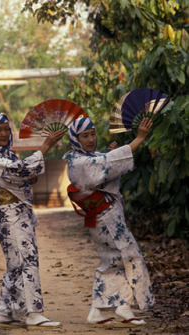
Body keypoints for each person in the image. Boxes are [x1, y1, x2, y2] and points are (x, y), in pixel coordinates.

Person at [63, 117, 155, 326]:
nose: (90, 139)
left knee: (113, 261)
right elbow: (105, 165)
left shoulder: (83, 158)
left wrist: (108, 153)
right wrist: (139, 138)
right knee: (129, 256)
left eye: (92, 133)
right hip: (105, 219)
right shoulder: (80, 161)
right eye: (84, 135)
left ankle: (100, 310)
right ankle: (123, 305)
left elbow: (104, 164)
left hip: (105, 217)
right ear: (75, 139)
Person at [0, 112, 64, 329]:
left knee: (16, 263)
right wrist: (45, 145)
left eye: (6, 129)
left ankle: (3, 311)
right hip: (9, 216)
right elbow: (21, 170)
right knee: (27, 260)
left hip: (18, 215)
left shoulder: (9, 154)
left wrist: (29, 177)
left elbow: (24, 175)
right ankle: (33, 312)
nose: (2, 133)